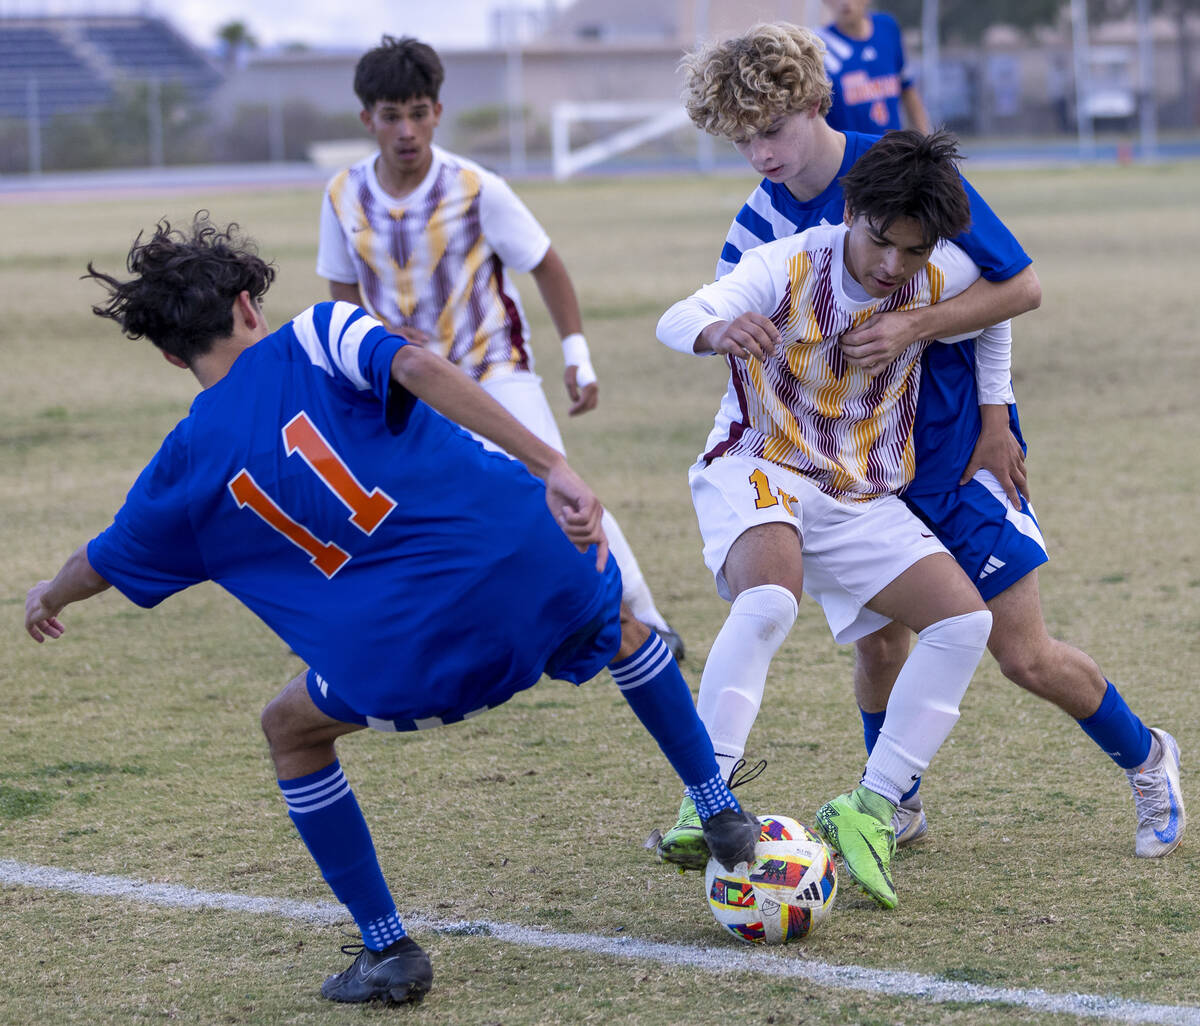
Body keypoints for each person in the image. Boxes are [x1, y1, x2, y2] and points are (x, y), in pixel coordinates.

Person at [23, 214, 758, 1006]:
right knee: (624, 629)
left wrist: (47, 596)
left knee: (290, 729)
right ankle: (719, 809)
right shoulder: (318, 330)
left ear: (171, 354)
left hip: (407, 657)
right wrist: (554, 464)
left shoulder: (181, 466)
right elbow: (413, 362)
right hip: (528, 565)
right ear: (248, 306)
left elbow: (99, 560)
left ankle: (388, 950)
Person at [656, 21, 1183, 869]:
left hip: (952, 449)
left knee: (1022, 653)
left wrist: (989, 408)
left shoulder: (906, 177)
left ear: (815, 104)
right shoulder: (759, 223)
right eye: (740, 138)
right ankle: (890, 802)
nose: (760, 153)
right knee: (879, 643)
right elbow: (720, 319)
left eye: (773, 130)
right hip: (856, 468)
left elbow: (1016, 287)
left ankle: (1149, 758)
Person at [658, 129, 1003, 909]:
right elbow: (681, 315)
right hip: (760, 463)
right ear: (853, 211)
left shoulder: (938, 272)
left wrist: (995, 413)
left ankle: (872, 810)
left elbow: (1002, 304)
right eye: (880, 241)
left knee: (963, 624)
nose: (891, 266)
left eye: (913, 253)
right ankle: (704, 800)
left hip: (858, 492)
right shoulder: (784, 265)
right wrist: (715, 331)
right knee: (771, 599)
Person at [316, 35, 684, 660]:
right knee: (416, 517)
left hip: (492, 370)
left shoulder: (476, 186)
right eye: (390, 115)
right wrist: (372, 349)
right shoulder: (341, 196)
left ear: (436, 111)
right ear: (366, 120)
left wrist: (577, 355)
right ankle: (445, 640)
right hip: (406, 386)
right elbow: (344, 299)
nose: (406, 129)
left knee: (561, 489)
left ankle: (646, 618)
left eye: (417, 111)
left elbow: (546, 264)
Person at [818, 0, 931, 134]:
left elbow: (908, 89)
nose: (845, 2)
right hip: (850, 154)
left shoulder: (888, 28)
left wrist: (926, 142)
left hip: (894, 150)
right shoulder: (820, 47)